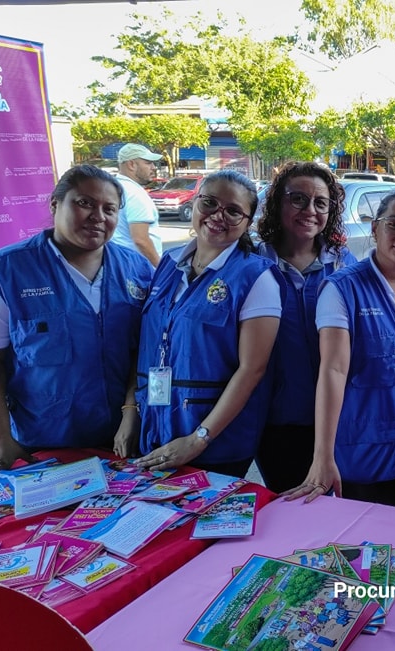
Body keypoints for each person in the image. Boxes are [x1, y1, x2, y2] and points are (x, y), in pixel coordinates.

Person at [0, 165, 153, 480]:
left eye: (110, 209)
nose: (98, 216)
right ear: (55, 204)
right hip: (41, 446)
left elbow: (145, 350)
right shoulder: (5, 272)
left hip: (124, 443)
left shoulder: (138, 270)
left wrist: (132, 412)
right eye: (84, 203)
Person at [284, 190, 395, 508]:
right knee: (366, 548)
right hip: (363, 454)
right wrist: (322, 455)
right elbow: (333, 371)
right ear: (375, 228)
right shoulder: (343, 290)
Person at [119, 170, 282, 478]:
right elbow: (146, 345)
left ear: (248, 222)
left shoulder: (256, 277)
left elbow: (252, 370)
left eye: (233, 211)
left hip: (215, 442)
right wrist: (131, 412)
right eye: (209, 202)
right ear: (194, 204)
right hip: (155, 425)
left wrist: (198, 439)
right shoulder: (168, 264)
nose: (218, 215)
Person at [254, 162, 356, 493]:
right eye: (297, 199)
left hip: (342, 420)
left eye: (320, 203)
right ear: (276, 203)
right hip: (275, 423)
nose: (309, 210)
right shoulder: (253, 265)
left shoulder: (344, 265)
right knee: (293, 511)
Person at [114, 144, 163, 267]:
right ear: (131, 165)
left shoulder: (113, 187)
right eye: (148, 163)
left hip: (120, 265)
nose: (153, 167)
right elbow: (140, 240)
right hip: (138, 271)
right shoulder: (135, 194)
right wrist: (162, 271)